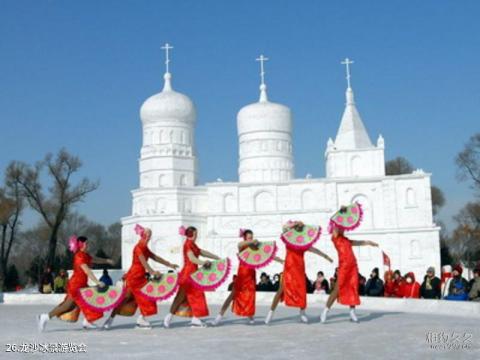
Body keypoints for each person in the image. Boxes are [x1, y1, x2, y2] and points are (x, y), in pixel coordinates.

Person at [104, 225, 178, 329]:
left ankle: (141, 319)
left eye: (150, 235)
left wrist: (169, 264)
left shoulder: (144, 247)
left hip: (141, 278)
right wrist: (152, 272)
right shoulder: (138, 247)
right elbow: (143, 262)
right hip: (133, 277)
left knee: (148, 297)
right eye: (147, 235)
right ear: (142, 235)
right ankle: (110, 319)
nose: (148, 237)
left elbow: (155, 257)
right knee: (124, 299)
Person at [37, 236, 114, 332]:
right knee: (82, 302)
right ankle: (87, 321)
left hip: (81, 284)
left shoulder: (85, 255)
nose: (88, 245)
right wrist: (97, 282)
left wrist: (106, 260)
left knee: (68, 306)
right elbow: (87, 271)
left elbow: (95, 259)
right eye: (86, 243)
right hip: (76, 285)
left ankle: (44, 317)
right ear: (81, 245)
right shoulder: (79, 256)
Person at [265, 221, 333, 325]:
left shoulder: (303, 243)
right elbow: (284, 228)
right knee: (281, 290)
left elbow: (314, 249)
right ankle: (270, 312)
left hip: (299, 269)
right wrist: (296, 224)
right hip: (289, 268)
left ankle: (302, 312)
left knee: (301, 291)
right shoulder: (288, 238)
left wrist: (325, 256)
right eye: (296, 228)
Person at [212, 229, 284, 326]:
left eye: (251, 237)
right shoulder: (243, 245)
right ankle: (219, 316)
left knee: (250, 296)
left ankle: (250, 316)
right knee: (233, 294)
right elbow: (240, 244)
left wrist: (279, 260)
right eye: (249, 237)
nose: (251, 238)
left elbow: (267, 254)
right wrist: (251, 242)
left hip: (251, 275)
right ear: (245, 237)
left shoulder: (255, 247)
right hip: (242, 274)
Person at [164, 226, 222, 328]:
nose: (197, 236)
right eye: (196, 234)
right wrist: (203, 263)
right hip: (188, 274)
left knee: (194, 295)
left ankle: (195, 318)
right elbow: (192, 258)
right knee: (182, 296)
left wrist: (215, 257)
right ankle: (170, 317)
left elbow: (202, 252)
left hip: (193, 273)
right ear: (192, 234)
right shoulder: (187, 244)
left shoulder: (192, 244)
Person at [321, 225, 379, 324]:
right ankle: (325, 310)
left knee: (353, 288)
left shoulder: (347, 240)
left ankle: (352, 312)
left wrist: (368, 242)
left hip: (353, 267)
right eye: (340, 228)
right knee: (337, 289)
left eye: (343, 228)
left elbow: (358, 242)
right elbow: (335, 229)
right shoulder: (335, 238)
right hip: (343, 267)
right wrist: (338, 220)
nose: (343, 230)